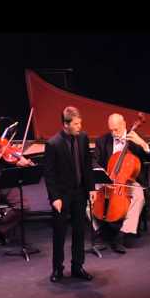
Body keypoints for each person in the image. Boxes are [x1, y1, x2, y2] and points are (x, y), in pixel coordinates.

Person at [92, 113, 150, 253]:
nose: (113, 133)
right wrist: (103, 175)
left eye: (116, 129)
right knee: (87, 197)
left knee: (138, 195)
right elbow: (94, 161)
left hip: (129, 182)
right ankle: (101, 229)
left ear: (124, 125)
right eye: (111, 130)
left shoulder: (135, 139)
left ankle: (123, 233)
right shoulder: (102, 141)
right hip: (108, 180)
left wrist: (142, 143)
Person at [43, 106, 97, 283]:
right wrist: (55, 198)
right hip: (62, 196)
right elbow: (49, 174)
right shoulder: (53, 144)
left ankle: (77, 266)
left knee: (80, 231)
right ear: (66, 124)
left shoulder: (82, 138)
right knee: (59, 233)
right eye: (76, 124)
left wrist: (91, 188)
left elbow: (87, 166)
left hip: (80, 193)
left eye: (80, 123)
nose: (79, 126)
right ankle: (57, 269)